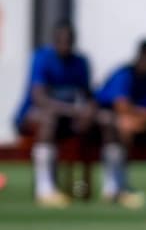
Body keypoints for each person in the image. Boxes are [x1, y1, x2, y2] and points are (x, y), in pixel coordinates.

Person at [14, 20, 97, 208]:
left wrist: (88, 111)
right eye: (62, 41)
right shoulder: (42, 58)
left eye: (69, 41)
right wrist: (73, 111)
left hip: (69, 119)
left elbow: (88, 94)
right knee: (48, 119)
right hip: (33, 117)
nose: (65, 45)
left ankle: (113, 189)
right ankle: (45, 189)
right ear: (55, 41)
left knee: (106, 121)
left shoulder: (80, 62)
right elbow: (40, 99)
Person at [94, 38, 146, 207]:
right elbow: (121, 106)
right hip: (104, 119)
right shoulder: (124, 74)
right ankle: (115, 185)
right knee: (123, 125)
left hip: (142, 123)